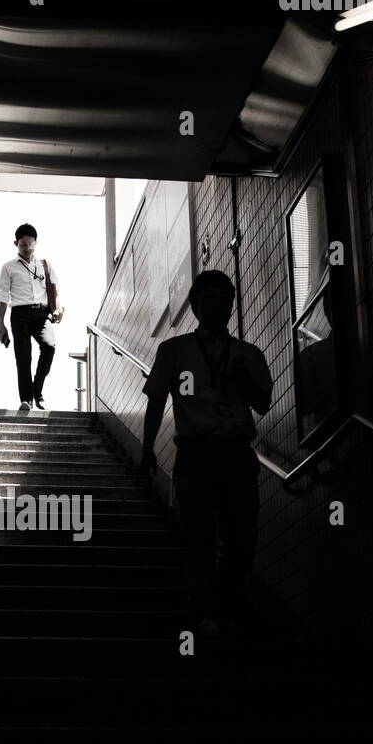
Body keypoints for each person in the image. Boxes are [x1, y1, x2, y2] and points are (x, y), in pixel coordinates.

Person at [136, 269, 274, 635]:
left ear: (232, 306)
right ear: (195, 306)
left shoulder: (248, 354)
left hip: (237, 451)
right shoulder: (174, 350)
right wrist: (147, 450)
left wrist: (242, 381)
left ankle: (228, 605)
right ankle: (203, 611)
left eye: (224, 299)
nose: (218, 305)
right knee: (199, 534)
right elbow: (155, 402)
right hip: (195, 453)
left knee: (242, 537)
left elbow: (263, 404)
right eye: (208, 299)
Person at [0, 223, 63, 411]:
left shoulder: (44, 265)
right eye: (23, 244)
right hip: (19, 314)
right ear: (16, 243)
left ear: (36, 243)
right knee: (23, 357)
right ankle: (26, 399)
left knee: (49, 347)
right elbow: (2, 296)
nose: (27, 248)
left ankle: (37, 391)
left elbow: (53, 288)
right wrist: (0, 324)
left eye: (31, 244)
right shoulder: (8, 267)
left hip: (41, 314)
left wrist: (57, 309)